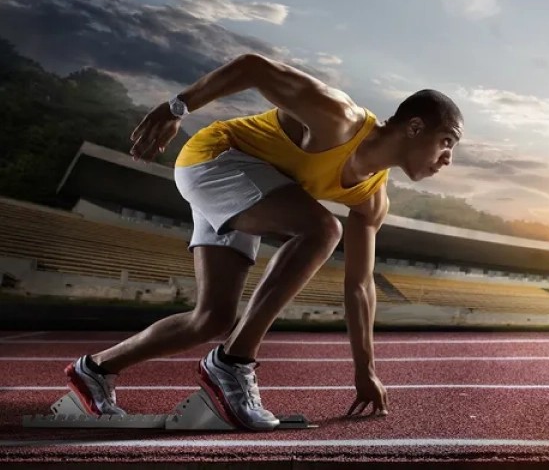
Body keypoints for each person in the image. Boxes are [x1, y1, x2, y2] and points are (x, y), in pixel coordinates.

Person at [62, 53, 463, 431]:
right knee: (323, 229)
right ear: (414, 127)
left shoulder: (372, 199)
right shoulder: (339, 118)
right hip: (215, 159)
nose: (448, 158)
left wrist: (366, 370)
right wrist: (176, 108)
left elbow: (359, 286)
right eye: (447, 141)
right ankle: (233, 363)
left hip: (254, 189)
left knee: (213, 319)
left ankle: (94, 370)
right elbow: (254, 68)